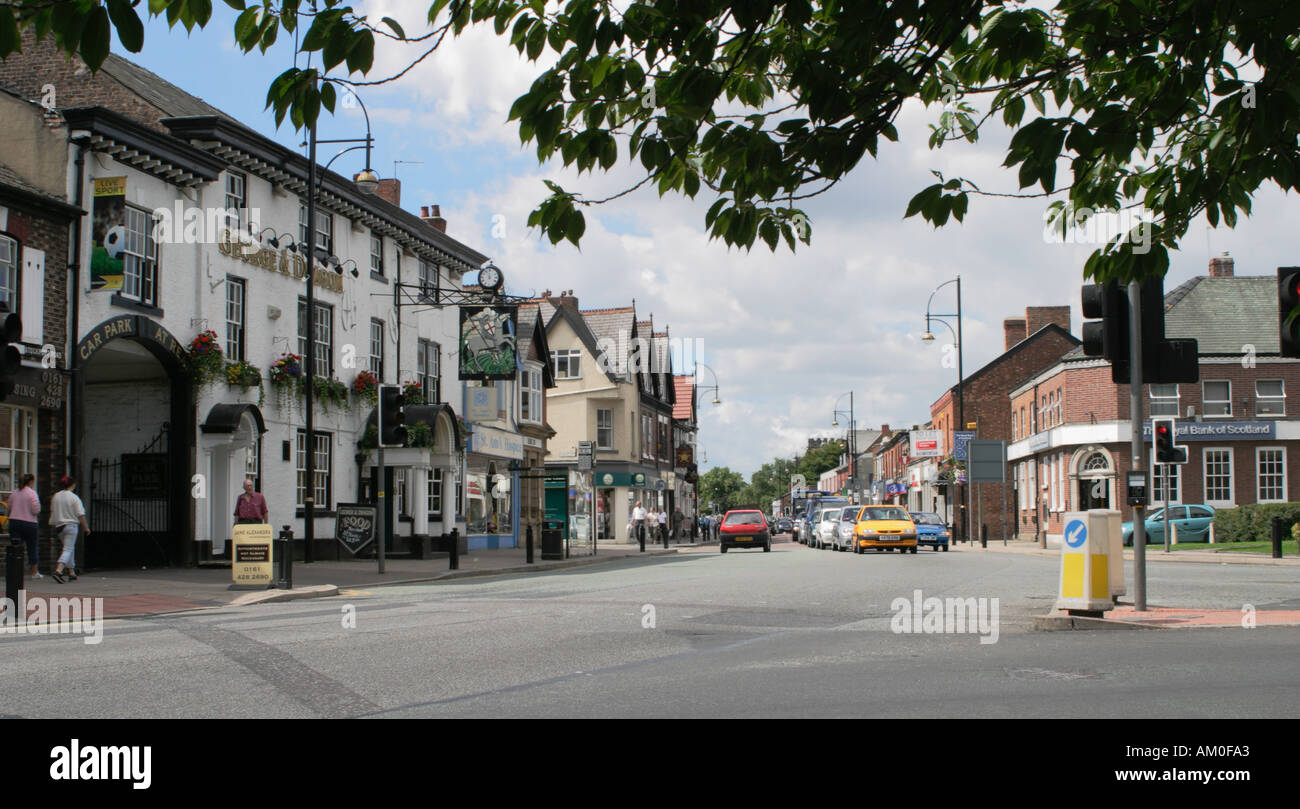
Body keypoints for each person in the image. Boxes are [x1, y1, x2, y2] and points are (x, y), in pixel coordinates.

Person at [50, 476, 89, 583]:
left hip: (59, 526)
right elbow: (80, 514)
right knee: (68, 549)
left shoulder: (56, 496)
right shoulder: (74, 497)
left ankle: (71, 572)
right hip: (71, 526)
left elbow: (53, 510)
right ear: (72, 485)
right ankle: (59, 570)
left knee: (68, 548)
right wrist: (86, 528)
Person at [7, 474, 41, 578]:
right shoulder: (32, 493)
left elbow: (9, 507)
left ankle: (15, 571)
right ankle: (34, 572)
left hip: (14, 522)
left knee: (16, 547)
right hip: (29, 523)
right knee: (32, 547)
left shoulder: (14, 493)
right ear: (31, 481)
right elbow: (36, 510)